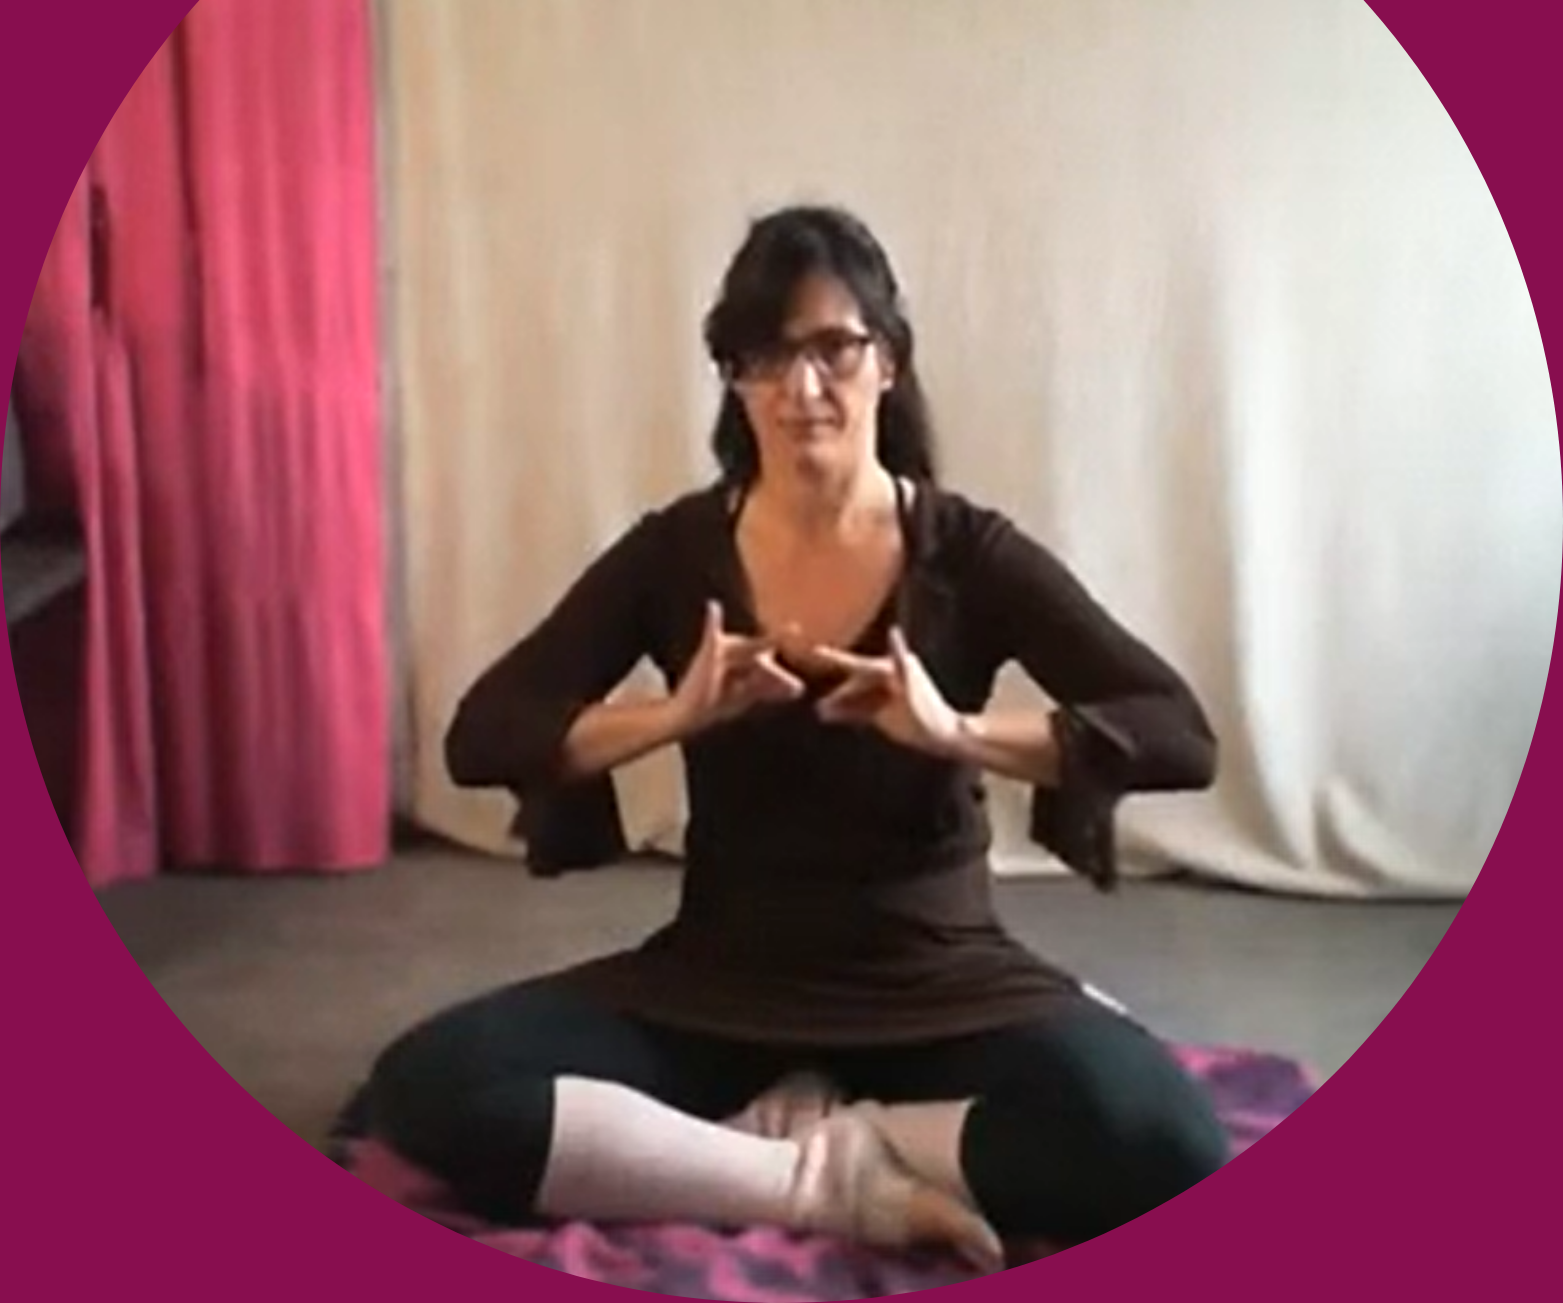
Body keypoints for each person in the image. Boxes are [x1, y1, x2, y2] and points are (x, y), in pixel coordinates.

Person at [363, 206, 1229, 1268]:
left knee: (1167, 1143)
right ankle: (824, 1184)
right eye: (764, 356)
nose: (800, 386)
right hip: (722, 978)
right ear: (733, 378)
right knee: (432, 1085)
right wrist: (670, 717)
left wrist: (956, 731)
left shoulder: (966, 554)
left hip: (934, 979)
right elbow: (485, 733)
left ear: (889, 361)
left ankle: (848, 1138)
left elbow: (1175, 732)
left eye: (833, 348)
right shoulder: (677, 552)